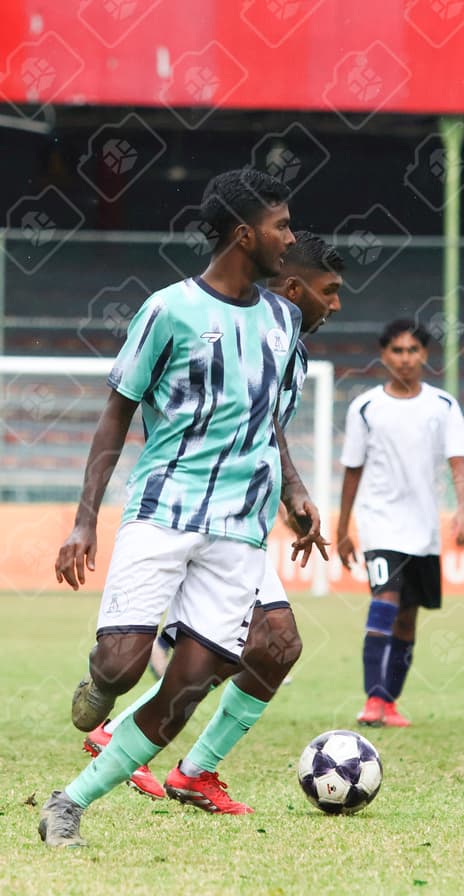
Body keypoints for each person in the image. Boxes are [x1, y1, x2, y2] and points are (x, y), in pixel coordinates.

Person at [39, 169, 328, 847]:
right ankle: (99, 685)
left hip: (239, 533)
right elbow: (117, 410)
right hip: (164, 511)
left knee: (188, 687)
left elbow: (271, 420)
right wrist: (85, 518)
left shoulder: (285, 321)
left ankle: (69, 804)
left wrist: (293, 489)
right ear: (241, 234)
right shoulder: (167, 310)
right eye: (280, 226)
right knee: (122, 665)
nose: (289, 239)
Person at [337, 319, 464, 727]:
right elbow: (352, 469)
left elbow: (458, 462)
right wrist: (343, 527)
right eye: (397, 350)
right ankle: (372, 700)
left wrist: (463, 510)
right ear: (384, 356)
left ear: (425, 355)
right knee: (385, 600)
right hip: (380, 523)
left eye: (413, 350)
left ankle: (390, 700)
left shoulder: (442, 405)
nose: (405, 358)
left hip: (424, 529)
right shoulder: (365, 407)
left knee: (408, 616)